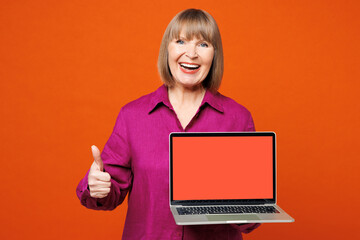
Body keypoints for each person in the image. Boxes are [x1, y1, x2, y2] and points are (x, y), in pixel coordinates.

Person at [76, 8, 260, 239]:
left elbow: (250, 220)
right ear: (167, 49)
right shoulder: (132, 116)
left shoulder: (238, 118)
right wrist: (97, 188)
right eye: (181, 41)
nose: (191, 53)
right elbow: (108, 195)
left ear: (215, 54)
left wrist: (245, 205)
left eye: (203, 44)